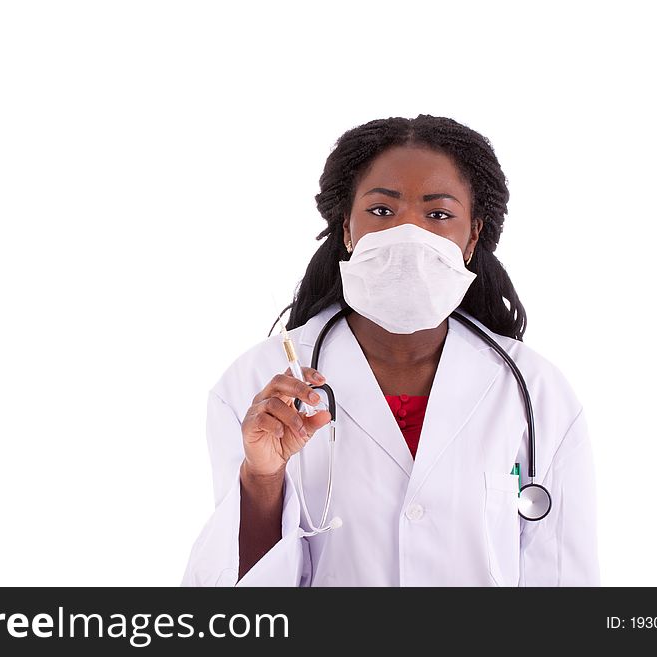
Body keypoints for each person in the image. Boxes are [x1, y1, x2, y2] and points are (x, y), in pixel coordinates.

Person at [182, 115, 599, 586]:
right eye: (382, 211)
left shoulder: (536, 392)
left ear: (474, 235)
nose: (408, 233)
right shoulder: (257, 382)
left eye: (438, 215)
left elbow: (566, 580)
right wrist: (261, 481)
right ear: (346, 228)